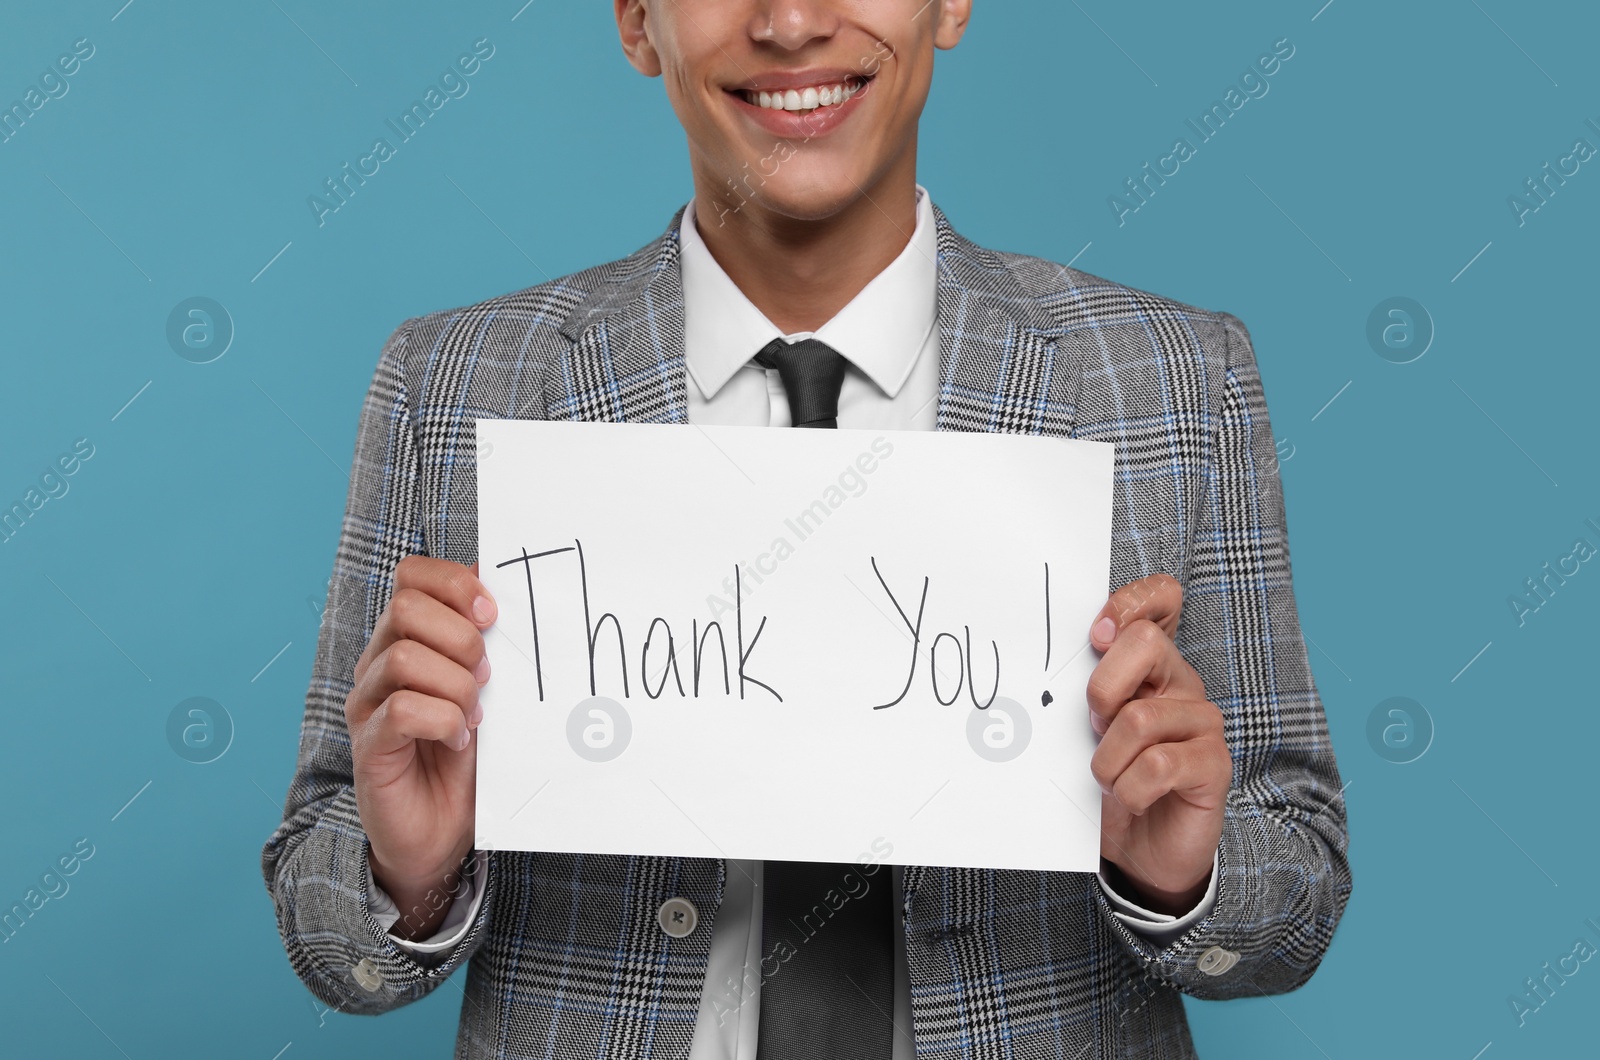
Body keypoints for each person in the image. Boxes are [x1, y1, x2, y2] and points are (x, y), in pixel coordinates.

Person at [260, 2, 1352, 1057]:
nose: (790, 21)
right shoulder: (456, 387)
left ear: (950, 3)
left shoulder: (1169, 382)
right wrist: (409, 873)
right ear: (638, 20)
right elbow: (327, 916)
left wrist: (1179, 874)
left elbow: (1294, 893)